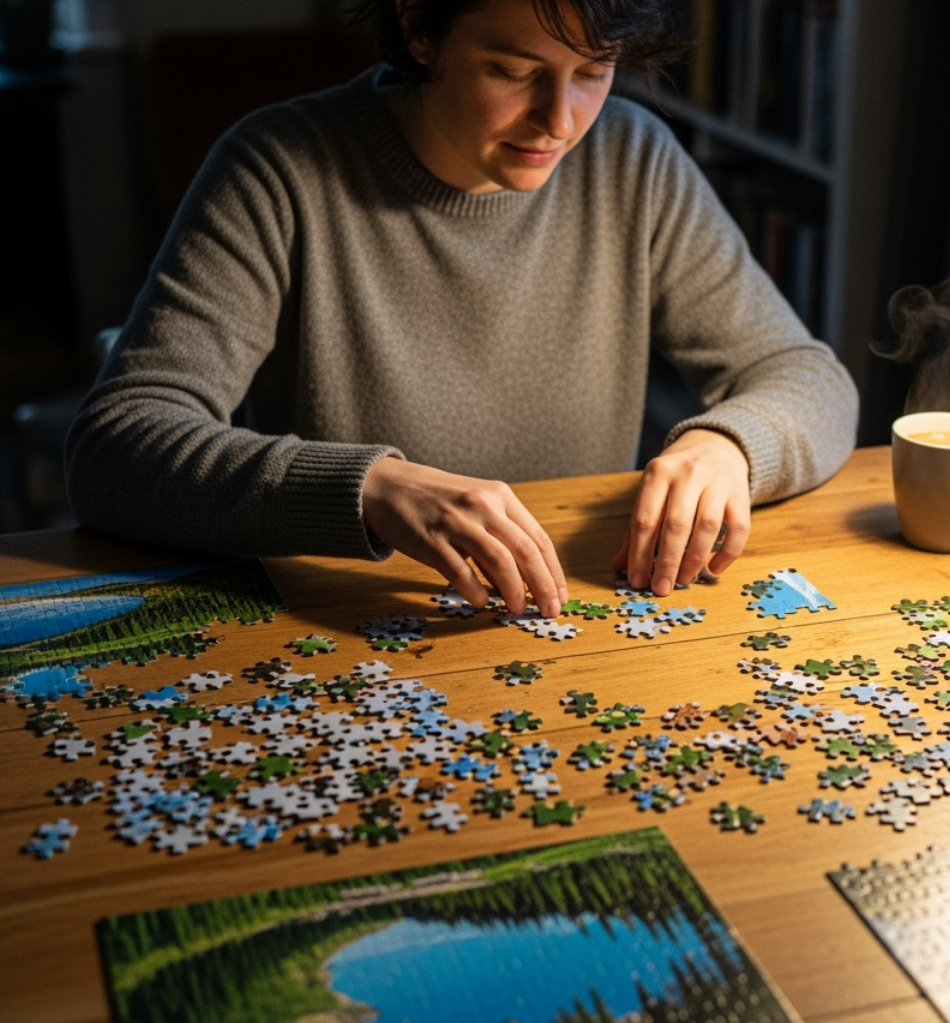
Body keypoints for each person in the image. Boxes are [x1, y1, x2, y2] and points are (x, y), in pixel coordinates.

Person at [65, 0, 858, 620]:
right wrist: (369, 489)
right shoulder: (277, 168)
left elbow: (807, 379)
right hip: (352, 624)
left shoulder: (632, 156)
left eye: (594, 70)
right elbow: (118, 448)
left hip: (576, 615)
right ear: (419, 29)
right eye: (515, 71)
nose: (562, 120)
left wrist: (728, 446)